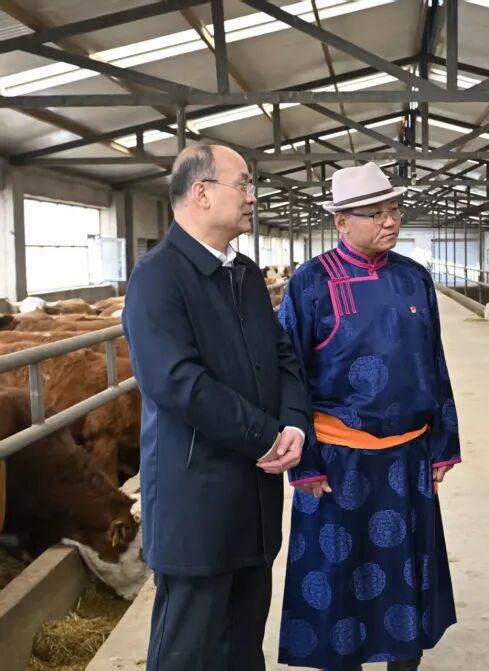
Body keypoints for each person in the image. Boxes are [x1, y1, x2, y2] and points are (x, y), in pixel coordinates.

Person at [122, 144, 311, 671]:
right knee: (190, 651)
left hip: (254, 502)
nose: (252, 197)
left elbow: (282, 355)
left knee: (243, 647)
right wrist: (266, 436)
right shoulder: (158, 277)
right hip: (197, 504)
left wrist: (295, 424)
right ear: (202, 193)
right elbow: (178, 383)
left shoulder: (244, 273)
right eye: (244, 184)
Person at [276, 163, 460, 671]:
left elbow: (434, 363)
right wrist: (303, 462)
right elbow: (288, 373)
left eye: (394, 209)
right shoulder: (310, 282)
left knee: (404, 577)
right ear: (341, 222)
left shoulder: (414, 278)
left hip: (407, 457)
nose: (390, 221)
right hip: (339, 461)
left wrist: (444, 445)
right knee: (339, 580)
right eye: (374, 213)